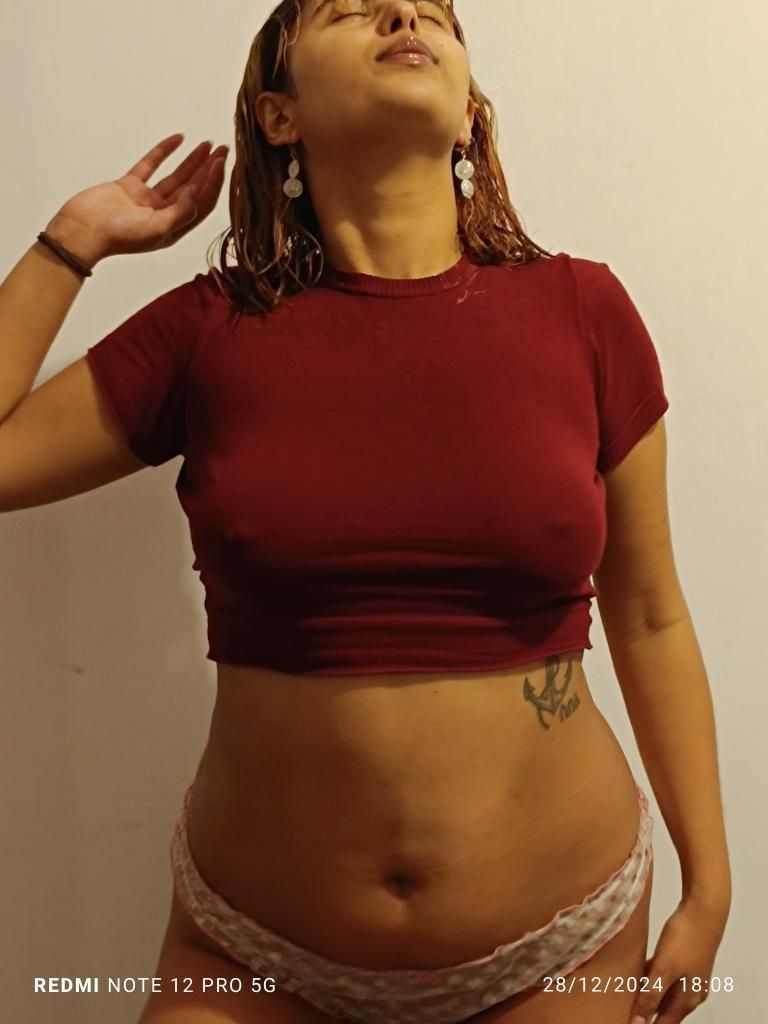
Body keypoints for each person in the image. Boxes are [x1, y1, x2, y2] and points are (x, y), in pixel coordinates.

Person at [0, 1, 731, 1022]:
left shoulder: (584, 312)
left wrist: (710, 884)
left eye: (434, 12)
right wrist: (71, 243)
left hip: (563, 941)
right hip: (251, 950)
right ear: (279, 116)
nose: (402, 12)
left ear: (469, 114)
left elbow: (650, 615)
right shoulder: (210, 330)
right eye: (351, 8)